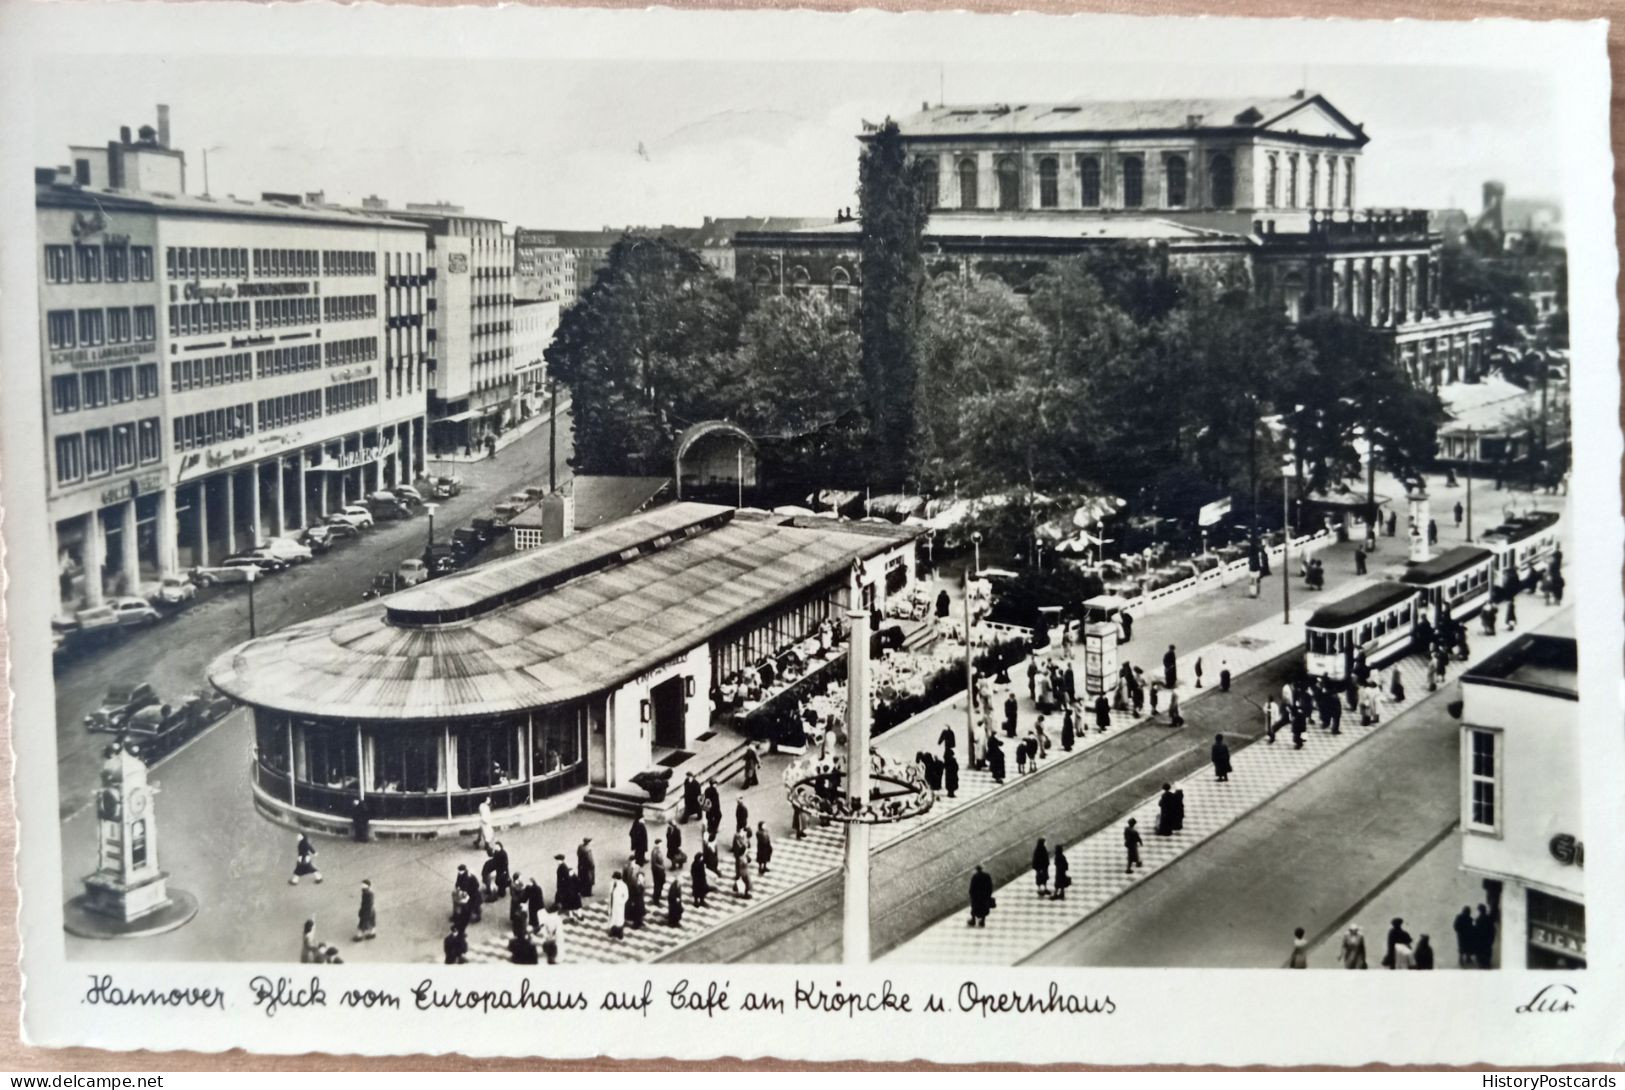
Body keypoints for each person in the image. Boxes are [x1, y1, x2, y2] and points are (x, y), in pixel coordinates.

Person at [553, 854, 581, 919]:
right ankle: (560, 906)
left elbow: (566, 878)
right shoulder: (562, 866)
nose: (557, 862)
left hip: (563, 886)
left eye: (558, 860)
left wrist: (563, 885)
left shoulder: (563, 867)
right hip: (562, 885)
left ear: (561, 860)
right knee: (560, 896)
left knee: (564, 898)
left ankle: (561, 908)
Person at [1474, 904, 1498, 969]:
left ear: (1480, 911)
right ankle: (1487, 963)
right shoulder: (1489, 918)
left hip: (1481, 939)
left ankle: (1482, 964)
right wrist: (1492, 938)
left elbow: (1476, 931)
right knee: (1487, 951)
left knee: (1481, 951)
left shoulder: (1478, 920)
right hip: (1488, 939)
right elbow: (1493, 930)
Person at [625, 864, 647, 930]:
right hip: (635, 899)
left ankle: (639, 921)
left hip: (640, 898)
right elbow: (633, 891)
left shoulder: (639, 880)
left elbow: (642, 888)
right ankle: (636, 923)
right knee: (636, 911)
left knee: (640, 910)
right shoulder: (633, 882)